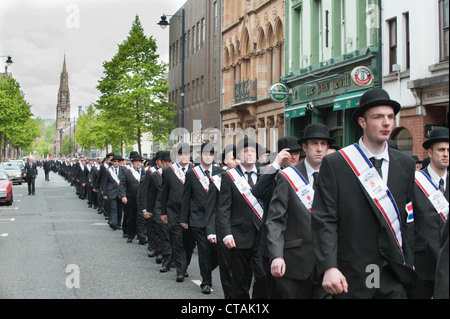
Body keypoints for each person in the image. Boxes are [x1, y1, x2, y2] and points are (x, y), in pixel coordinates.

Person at [311, 88, 418, 299]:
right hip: (352, 273)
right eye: (378, 117)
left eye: (390, 117)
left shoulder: (406, 164)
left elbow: (408, 218)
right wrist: (328, 266)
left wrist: (409, 261)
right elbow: (324, 219)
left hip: (394, 272)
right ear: (362, 122)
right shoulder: (336, 163)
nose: (387, 123)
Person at [267, 125, 332, 299]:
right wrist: (277, 255)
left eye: (323, 144)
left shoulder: (335, 176)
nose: (319, 148)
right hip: (294, 263)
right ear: (304, 147)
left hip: (328, 264)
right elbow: (275, 220)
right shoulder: (288, 177)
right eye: (314, 143)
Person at [252, 136, 302, 299]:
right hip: (272, 242)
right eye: (289, 153)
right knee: (270, 287)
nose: (294, 157)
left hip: (297, 242)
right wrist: (276, 163)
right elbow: (257, 191)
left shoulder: (303, 175)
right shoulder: (271, 173)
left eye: (296, 153)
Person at [217, 137, 268, 299]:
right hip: (238, 235)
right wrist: (226, 233)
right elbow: (223, 208)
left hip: (261, 235)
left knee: (263, 276)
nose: (250, 154)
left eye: (253, 151)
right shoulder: (229, 176)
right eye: (246, 151)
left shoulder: (265, 173)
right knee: (240, 280)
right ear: (239, 155)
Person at [411, 127, 449, 298]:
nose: (446, 154)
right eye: (441, 150)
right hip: (422, 265)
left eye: (449, 150)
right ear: (429, 152)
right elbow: (407, 224)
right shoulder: (414, 182)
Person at [180, 143, 222, 294]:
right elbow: (186, 197)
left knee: (216, 252)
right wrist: (184, 219)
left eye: (211, 154)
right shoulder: (192, 173)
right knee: (204, 249)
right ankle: (206, 281)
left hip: (216, 219)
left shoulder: (220, 172)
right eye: (205, 154)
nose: (208, 156)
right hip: (198, 218)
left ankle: (206, 268)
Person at [205, 144, 239, 299]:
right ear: (225, 161)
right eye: (233, 158)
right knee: (226, 267)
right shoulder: (217, 180)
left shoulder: (249, 177)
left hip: (245, 231)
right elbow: (211, 208)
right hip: (224, 229)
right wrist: (211, 230)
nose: (237, 161)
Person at [160, 142, 194, 282]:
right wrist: (163, 212)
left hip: (191, 213)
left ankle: (184, 266)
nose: (184, 157)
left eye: (186, 154)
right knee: (178, 241)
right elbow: (164, 193)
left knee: (189, 243)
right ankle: (180, 271)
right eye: (181, 154)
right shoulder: (168, 171)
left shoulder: (194, 170)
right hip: (174, 211)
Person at [138, 151, 174, 272]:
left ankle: (174, 259)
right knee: (163, 234)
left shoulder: (178, 174)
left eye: (170, 162)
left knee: (174, 236)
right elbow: (147, 192)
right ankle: (166, 258)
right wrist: (146, 209)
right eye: (166, 161)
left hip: (174, 209)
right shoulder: (153, 174)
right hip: (158, 208)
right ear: (159, 162)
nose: (168, 164)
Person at [119, 154, 146, 243]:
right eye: (136, 162)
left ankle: (141, 236)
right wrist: (123, 196)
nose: (138, 163)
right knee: (131, 218)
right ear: (132, 163)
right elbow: (122, 184)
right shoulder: (127, 172)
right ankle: (130, 234)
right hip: (131, 199)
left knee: (141, 219)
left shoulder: (145, 172)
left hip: (142, 200)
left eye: (139, 162)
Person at [103, 155, 124, 230]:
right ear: (112, 162)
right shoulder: (108, 171)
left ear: (120, 162)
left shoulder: (123, 170)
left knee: (119, 209)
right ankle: (113, 223)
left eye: (118, 161)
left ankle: (118, 223)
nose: (116, 163)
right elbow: (105, 182)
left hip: (120, 193)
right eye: (114, 161)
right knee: (113, 208)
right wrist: (105, 193)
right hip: (111, 192)